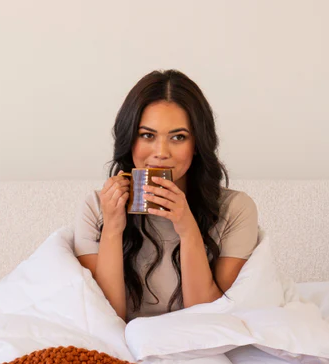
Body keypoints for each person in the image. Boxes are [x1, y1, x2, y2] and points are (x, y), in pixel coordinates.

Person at [73, 69, 260, 322]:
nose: (161, 152)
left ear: (197, 145)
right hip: (123, 341)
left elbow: (210, 318)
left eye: (178, 137)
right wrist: (113, 228)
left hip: (196, 338)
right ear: (130, 140)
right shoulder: (96, 207)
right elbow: (105, 319)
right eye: (147, 135)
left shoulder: (235, 209)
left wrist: (187, 228)